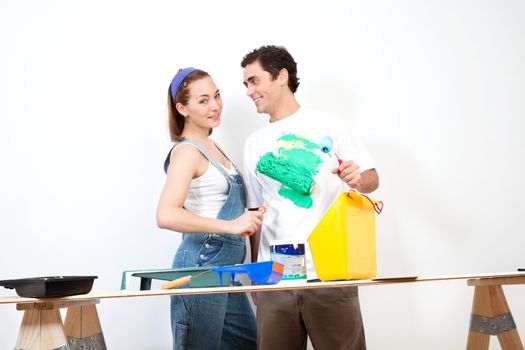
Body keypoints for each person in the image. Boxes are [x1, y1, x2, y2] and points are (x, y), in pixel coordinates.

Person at [241, 46, 379, 350]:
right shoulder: (253, 144)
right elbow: (256, 214)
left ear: (281, 77)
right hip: (275, 279)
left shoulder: (330, 124)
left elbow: (372, 179)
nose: (249, 91)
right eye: (246, 84)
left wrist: (358, 177)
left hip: (330, 276)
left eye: (254, 81)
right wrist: (256, 273)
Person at [156, 67, 262, 350]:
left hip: (224, 271)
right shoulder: (187, 152)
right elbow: (166, 214)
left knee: (248, 344)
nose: (215, 106)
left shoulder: (213, 146)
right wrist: (231, 225)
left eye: (216, 96)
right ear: (182, 108)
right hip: (199, 268)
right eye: (203, 100)